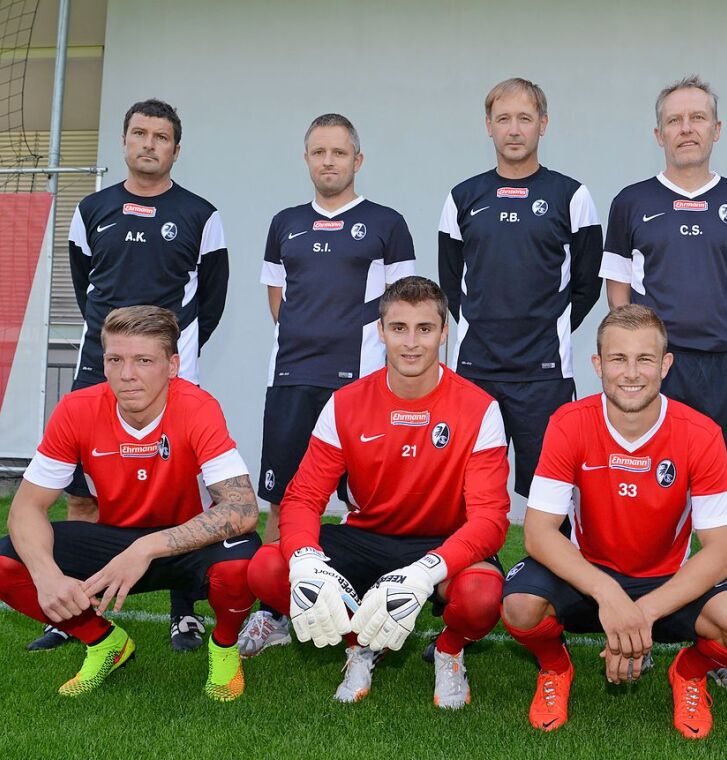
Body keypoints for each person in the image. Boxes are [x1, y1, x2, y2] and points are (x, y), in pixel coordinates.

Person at [501, 304, 727, 739]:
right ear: (598, 364)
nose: (631, 373)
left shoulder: (700, 433)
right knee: (519, 605)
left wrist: (641, 613)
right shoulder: (569, 424)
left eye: (644, 359)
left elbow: (722, 552)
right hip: (590, 579)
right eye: (618, 359)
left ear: (665, 365)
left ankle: (690, 672)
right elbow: (538, 532)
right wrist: (608, 594)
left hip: (667, 583)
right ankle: (554, 667)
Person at [246, 277, 510, 709]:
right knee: (268, 569)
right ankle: (360, 645)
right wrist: (306, 560)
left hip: (443, 541)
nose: (411, 343)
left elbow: (490, 520)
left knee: (481, 596)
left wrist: (425, 572)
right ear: (380, 331)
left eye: (425, 329)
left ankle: (449, 649)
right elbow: (303, 497)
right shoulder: (346, 402)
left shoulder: (480, 407)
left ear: (444, 333)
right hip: (366, 536)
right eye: (399, 328)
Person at [0, 306, 260, 701]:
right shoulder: (76, 409)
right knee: (3, 564)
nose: (126, 374)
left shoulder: (198, 407)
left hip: (185, 544)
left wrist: (146, 548)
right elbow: (26, 508)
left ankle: (224, 647)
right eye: (115, 360)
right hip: (113, 540)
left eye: (143, 361)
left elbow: (242, 509)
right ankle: (104, 642)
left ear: (172, 365)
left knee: (241, 564)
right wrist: (46, 576)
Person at [599, 76, 727, 692]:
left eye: (699, 118)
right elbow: (617, 289)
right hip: (654, 374)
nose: (688, 128)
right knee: (651, 486)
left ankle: (713, 627)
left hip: (721, 366)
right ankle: (637, 606)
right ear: (659, 133)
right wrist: (634, 350)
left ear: (716, 129)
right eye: (675, 119)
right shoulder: (632, 202)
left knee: (718, 501)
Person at [48, 98, 231, 653]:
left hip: (170, 373)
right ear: (124, 141)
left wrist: (167, 356)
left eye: (161, 136)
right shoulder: (92, 208)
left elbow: (213, 297)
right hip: (97, 367)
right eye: (139, 134)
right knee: (82, 488)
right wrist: (116, 348)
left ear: (176, 148)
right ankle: (75, 610)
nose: (148, 144)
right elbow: (86, 287)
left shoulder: (202, 214)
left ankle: (184, 614)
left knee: (182, 491)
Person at [240, 113, 416, 658]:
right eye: (319, 152)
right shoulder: (284, 223)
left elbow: (402, 307)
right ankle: (273, 613)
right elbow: (279, 303)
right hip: (293, 379)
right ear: (307, 159)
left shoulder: (387, 223)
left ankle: (362, 616)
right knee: (284, 499)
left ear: (357, 160)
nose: (329, 162)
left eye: (339, 153)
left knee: (363, 505)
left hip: (359, 388)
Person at [439, 77, 602, 501]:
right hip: (476, 370)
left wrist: (551, 328)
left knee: (549, 492)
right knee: (469, 490)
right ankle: (475, 567)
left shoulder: (572, 195)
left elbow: (587, 285)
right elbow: (450, 285)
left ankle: (547, 567)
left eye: (525, 119)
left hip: (544, 373)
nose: (514, 129)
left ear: (543, 125)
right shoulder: (462, 197)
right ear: (488, 125)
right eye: (504, 118)